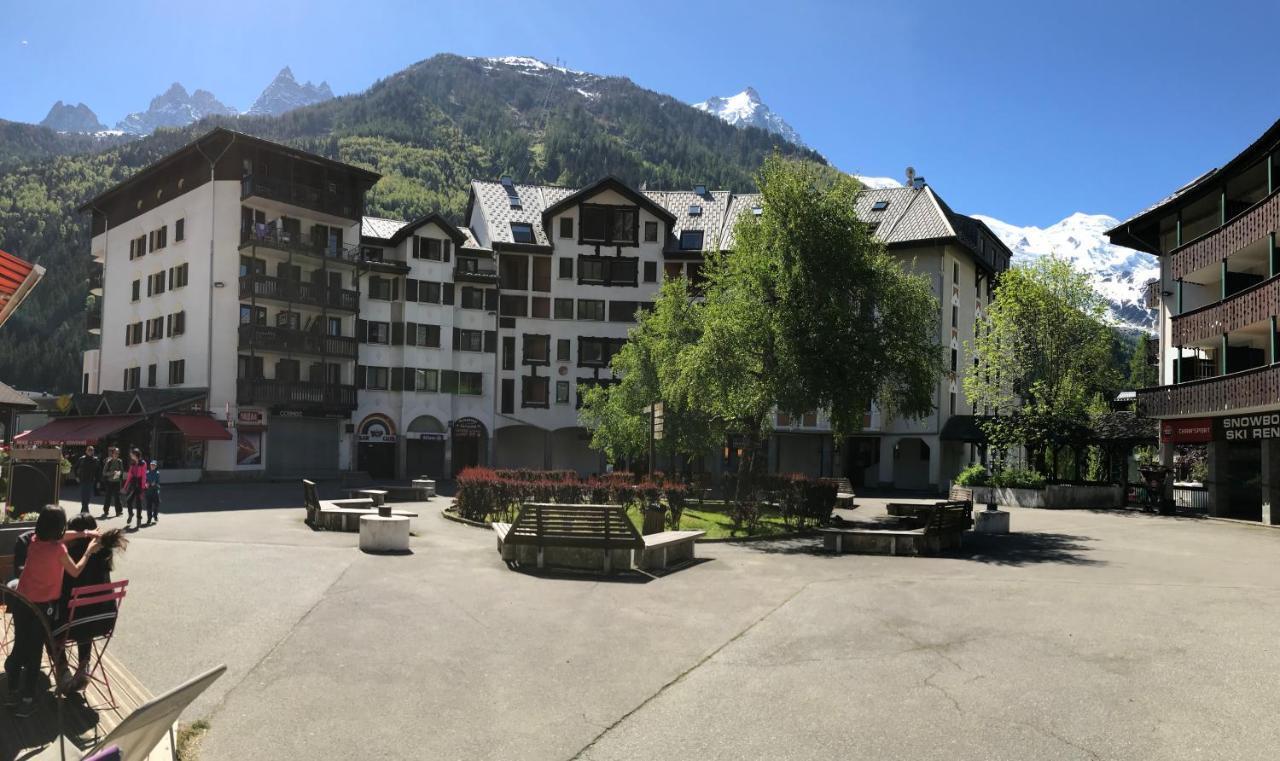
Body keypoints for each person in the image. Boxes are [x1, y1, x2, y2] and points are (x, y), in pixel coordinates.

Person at [3, 506, 99, 718]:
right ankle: (28, 699)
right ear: (60, 528)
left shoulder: (35, 541)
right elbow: (75, 570)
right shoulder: (59, 551)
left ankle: (11, 693)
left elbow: (62, 536)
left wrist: (84, 533)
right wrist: (89, 550)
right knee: (35, 651)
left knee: (20, 645)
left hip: (22, 602)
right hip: (41, 607)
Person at [56, 515, 127, 693]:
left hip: (73, 625)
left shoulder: (69, 556)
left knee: (47, 628)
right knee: (84, 616)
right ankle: (84, 664)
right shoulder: (104, 553)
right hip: (104, 621)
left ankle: (63, 670)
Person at [121, 449, 147, 529]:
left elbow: (144, 476)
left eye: (132, 454)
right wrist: (125, 487)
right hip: (133, 483)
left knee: (138, 503)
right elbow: (129, 476)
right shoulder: (132, 463)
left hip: (139, 484)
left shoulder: (143, 463)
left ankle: (139, 519)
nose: (131, 456)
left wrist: (142, 489)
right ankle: (130, 514)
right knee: (129, 500)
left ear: (136, 455)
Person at [99, 446, 125, 519]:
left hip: (117, 482)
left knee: (117, 497)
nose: (117, 454)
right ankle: (106, 511)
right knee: (108, 497)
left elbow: (122, 471)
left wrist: (119, 473)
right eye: (115, 453)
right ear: (112, 454)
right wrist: (112, 473)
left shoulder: (120, 461)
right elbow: (104, 473)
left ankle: (118, 511)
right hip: (109, 482)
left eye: (118, 453)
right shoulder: (108, 461)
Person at [73, 446, 100, 516]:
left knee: (88, 496)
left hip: (91, 480)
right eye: (89, 450)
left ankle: (84, 510)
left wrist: (98, 481)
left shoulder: (95, 459)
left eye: (92, 451)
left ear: (93, 451)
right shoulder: (81, 459)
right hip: (82, 479)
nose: (90, 452)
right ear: (86, 451)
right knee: (83, 495)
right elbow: (75, 468)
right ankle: (85, 510)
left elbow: (98, 471)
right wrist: (76, 477)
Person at [144, 460, 161, 525]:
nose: (152, 466)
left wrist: (155, 483)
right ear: (150, 465)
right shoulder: (147, 472)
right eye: (151, 465)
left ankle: (155, 515)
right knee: (149, 506)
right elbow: (145, 480)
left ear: (156, 466)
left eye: (154, 465)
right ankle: (149, 518)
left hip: (155, 490)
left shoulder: (157, 473)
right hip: (148, 491)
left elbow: (158, 482)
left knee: (156, 504)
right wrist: (146, 484)